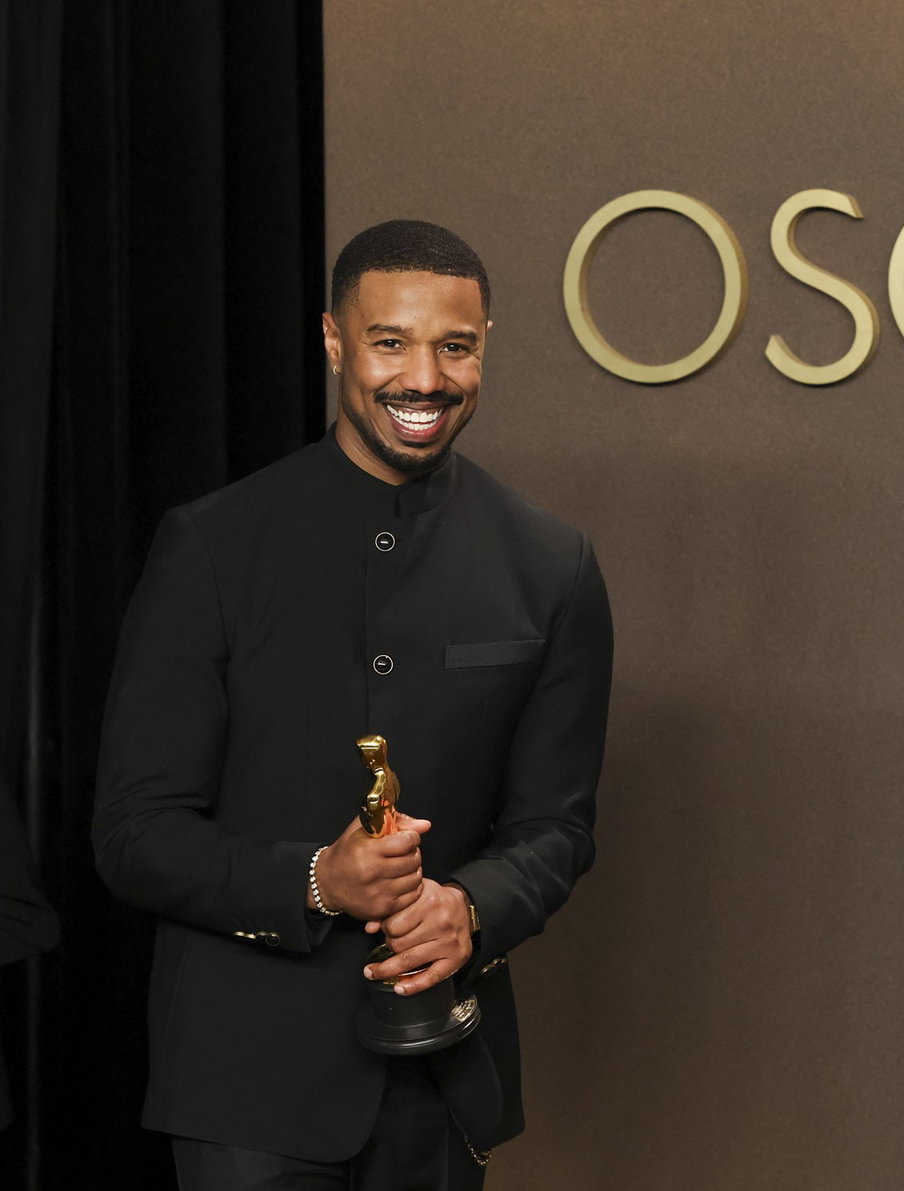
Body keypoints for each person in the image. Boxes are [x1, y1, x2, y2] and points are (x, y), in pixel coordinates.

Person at [93, 220, 613, 1189]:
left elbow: (556, 827)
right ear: (335, 342)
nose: (424, 377)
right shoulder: (211, 547)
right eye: (390, 342)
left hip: (444, 1080)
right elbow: (133, 832)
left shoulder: (553, 565)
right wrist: (316, 884)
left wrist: (471, 908)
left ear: (484, 343)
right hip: (245, 1092)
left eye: (453, 346)